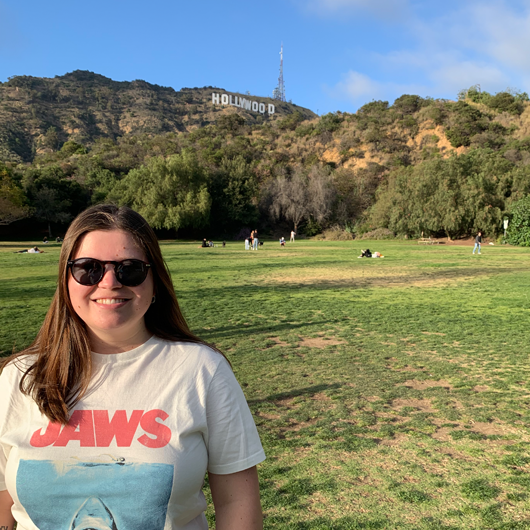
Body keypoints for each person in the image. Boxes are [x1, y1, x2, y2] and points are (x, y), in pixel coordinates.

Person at [0, 205, 265, 530]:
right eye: (88, 269)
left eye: (130, 269)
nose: (110, 282)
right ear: (66, 280)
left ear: (154, 281)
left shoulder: (202, 370)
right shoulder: (20, 377)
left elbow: (237, 501)